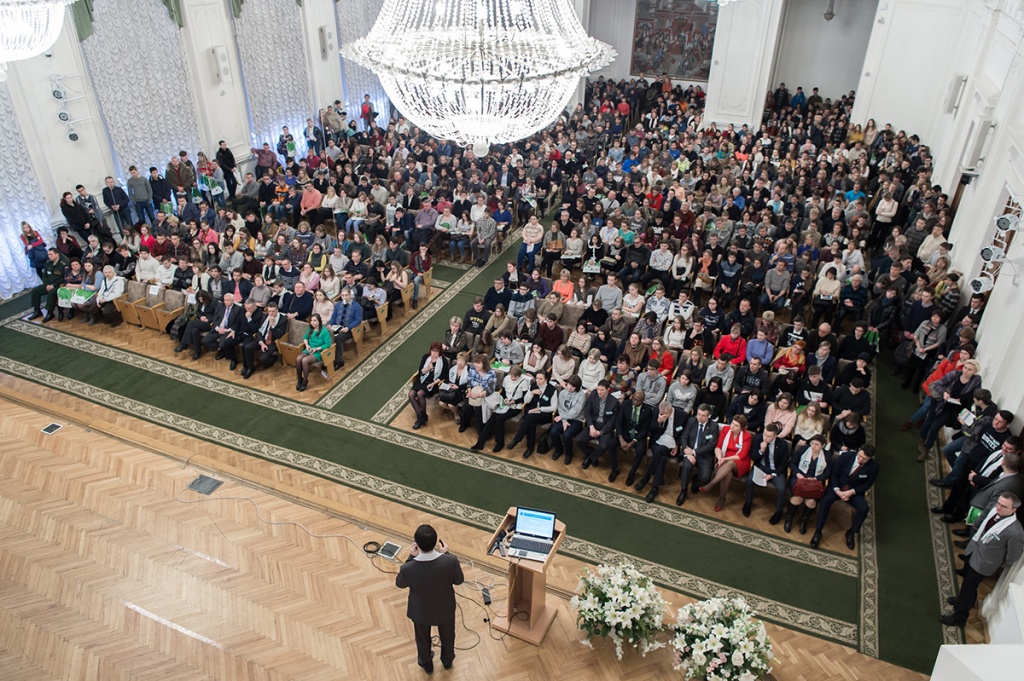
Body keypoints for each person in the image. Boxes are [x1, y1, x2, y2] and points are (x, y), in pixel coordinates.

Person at [939, 493, 1024, 628]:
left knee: (968, 585)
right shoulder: (994, 511)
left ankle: (959, 617)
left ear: (1014, 510)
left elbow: (1013, 555)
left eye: (1004, 506)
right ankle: (964, 600)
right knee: (967, 580)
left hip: (985, 563)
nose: (998, 507)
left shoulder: (1015, 532)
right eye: (998, 503)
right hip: (974, 550)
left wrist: (997, 563)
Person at [395, 524, 464, 674]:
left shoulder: (408, 568)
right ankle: (447, 661)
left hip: (420, 611)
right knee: (447, 636)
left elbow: (400, 584)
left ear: (417, 545)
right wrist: (446, 554)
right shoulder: (450, 561)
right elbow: (458, 580)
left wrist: (410, 557)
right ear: (436, 543)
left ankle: (426, 663)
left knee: (422, 638)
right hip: (444, 608)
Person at [811, 445, 879, 550]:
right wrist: (837, 490)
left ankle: (851, 532)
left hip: (854, 491)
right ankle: (818, 531)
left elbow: (867, 484)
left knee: (864, 508)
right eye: (860, 456)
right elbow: (834, 474)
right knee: (826, 500)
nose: (861, 459)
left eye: (864, 459)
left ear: (870, 458)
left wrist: (851, 492)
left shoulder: (874, 467)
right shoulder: (845, 456)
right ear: (859, 450)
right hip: (837, 487)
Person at [700, 415, 752, 511]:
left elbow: (742, 455)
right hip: (725, 458)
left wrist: (725, 459)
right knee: (727, 473)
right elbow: (718, 447)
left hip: (740, 462)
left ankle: (711, 484)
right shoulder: (725, 429)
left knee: (731, 463)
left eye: (736, 426)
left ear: (741, 428)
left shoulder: (747, 436)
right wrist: (720, 458)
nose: (732, 426)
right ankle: (721, 499)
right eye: (732, 423)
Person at [743, 423, 792, 524]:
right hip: (761, 467)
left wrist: (773, 474)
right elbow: (753, 457)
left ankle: (778, 512)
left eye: (768, 436)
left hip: (776, 470)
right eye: (764, 434)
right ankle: (748, 503)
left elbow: (784, 464)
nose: (765, 437)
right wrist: (761, 450)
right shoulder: (758, 438)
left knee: (782, 489)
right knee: (749, 481)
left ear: (775, 436)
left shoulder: (782, 444)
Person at [786, 435, 833, 534]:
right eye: (812, 443)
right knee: (797, 498)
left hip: (815, 481)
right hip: (799, 478)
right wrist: (798, 473)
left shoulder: (827, 456)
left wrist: (816, 478)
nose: (813, 446)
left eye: (817, 444)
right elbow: (792, 463)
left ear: (823, 446)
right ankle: (789, 519)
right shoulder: (803, 450)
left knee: (811, 502)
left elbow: (827, 473)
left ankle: (804, 521)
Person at [577, 379, 620, 471]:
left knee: (604, 446)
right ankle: (592, 453)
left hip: (605, 427)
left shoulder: (614, 402)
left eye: (602, 390)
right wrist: (591, 427)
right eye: (598, 389)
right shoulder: (593, 396)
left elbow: (612, 422)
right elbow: (587, 412)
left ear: (608, 389)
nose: (599, 392)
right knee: (579, 440)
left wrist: (601, 432)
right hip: (594, 423)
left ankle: (591, 457)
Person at [241, 301, 288, 379]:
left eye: (273, 311)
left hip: (272, 343)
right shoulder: (265, 317)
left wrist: (273, 326)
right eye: (269, 311)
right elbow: (259, 332)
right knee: (247, 347)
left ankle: (274, 358)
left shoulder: (283, 320)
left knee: (263, 359)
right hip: (263, 340)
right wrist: (261, 343)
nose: (271, 313)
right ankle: (249, 367)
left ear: (277, 310)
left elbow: (279, 335)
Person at [409, 342, 448, 429]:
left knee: (420, 394)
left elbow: (443, 376)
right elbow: (420, 371)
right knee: (411, 395)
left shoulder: (443, 361)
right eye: (432, 351)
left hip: (433, 383)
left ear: (440, 352)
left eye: (436, 351)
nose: (434, 353)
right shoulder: (426, 357)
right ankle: (421, 416)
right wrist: (428, 368)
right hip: (422, 380)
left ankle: (421, 417)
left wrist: (433, 383)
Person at [29, 248, 69, 322]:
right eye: (48, 254)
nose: (49, 256)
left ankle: (50, 312)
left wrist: (53, 285)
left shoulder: (63, 264)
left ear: (57, 255)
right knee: (35, 291)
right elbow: (44, 276)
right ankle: (37, 310)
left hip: (59, 285)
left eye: (51, 254)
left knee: (51, 293)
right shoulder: (48, 263)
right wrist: (47, 284)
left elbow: (64, 278)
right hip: (48, 284)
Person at [294, 313, 332, 392]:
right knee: (298, 359)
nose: (312, 322)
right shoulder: (310, 329)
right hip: (309, 349)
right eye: (311, 321)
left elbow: (328, 344)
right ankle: (299, 379)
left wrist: (317, 349)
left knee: (305, 360)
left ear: (319, 321)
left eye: (315, 321)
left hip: (319, 351)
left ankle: (305, 380)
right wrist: (307, 345)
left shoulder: (324, 331)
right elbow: (305, 338)